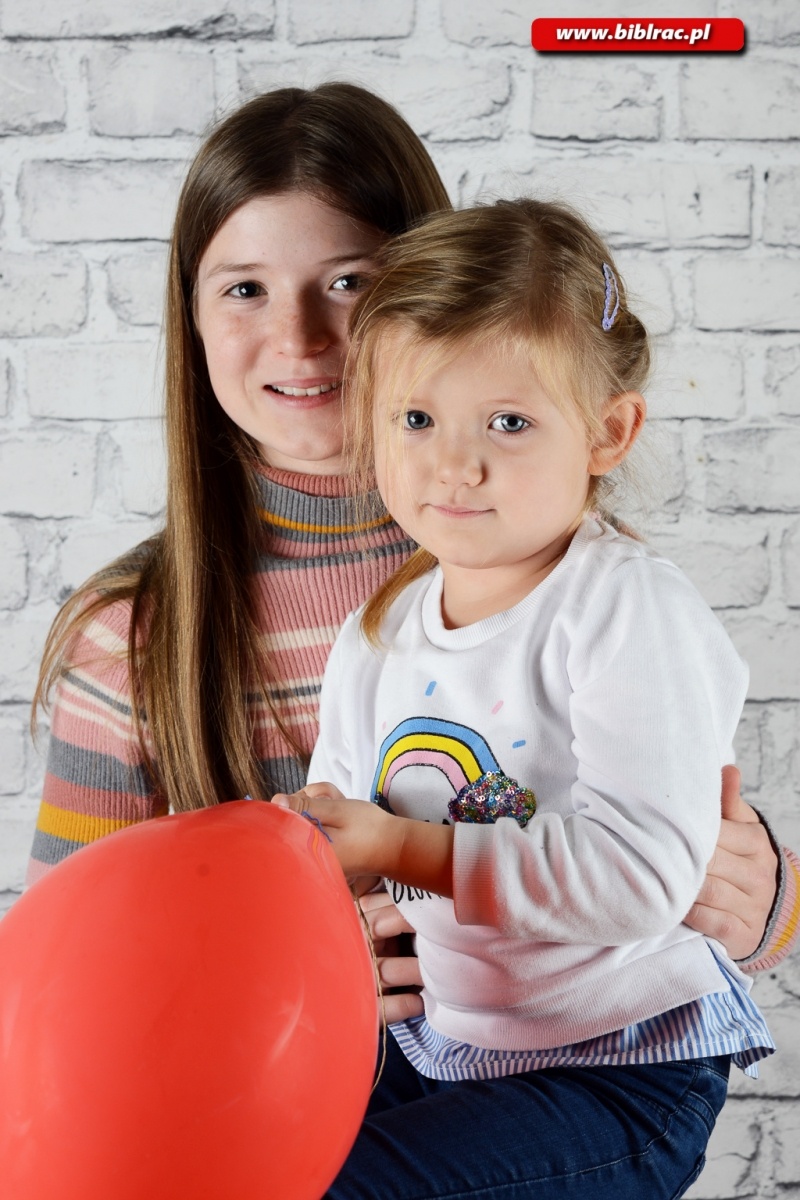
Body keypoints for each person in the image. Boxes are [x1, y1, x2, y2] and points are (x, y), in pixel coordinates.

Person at [27, 85, 797, 1031]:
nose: (301, 337)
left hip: (542, 1075)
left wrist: (765, 901)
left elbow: (659, 873)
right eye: (243, 288)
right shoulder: (133, 633)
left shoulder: (541, 565)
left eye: (349, 281)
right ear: (190, 316)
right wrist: (275, 961)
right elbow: (58, 972)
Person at [273, 197, 776, 1199]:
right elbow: (335, 855)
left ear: (606, 432)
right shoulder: (379, 631)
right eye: (415, 418)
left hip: (615, 1068)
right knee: (241, 1167)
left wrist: (394, 846)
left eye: (507, 421)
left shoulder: (623, 610)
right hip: (443, 1048)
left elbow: (642, 881)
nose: (454, 463)